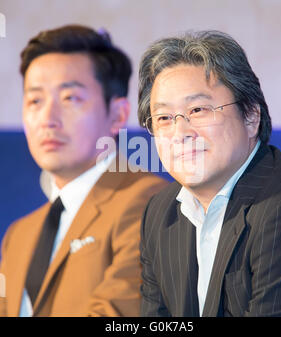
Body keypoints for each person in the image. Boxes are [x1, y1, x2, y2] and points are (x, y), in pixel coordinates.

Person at [0, 24, 167, 317]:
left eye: (70, 99)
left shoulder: (149, 203)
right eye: (35, 100)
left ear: (118, 114)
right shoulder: (18, 234)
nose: (47, 119)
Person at [138, 30, 281, 317]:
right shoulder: (159, 212)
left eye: (198, 109)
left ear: (251, 116)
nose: (180, 132)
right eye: (163, 118)